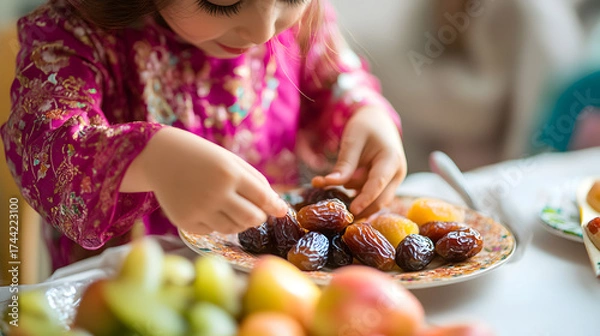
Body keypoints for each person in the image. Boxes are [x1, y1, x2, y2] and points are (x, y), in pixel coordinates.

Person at [1, 0, 406, 271]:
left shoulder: (298, 19)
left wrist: (365, 115)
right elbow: (40, 139)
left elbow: (334, 78)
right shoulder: (75, 36)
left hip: (268, 287)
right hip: (127, 295)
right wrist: (149, 159)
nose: (264, 30)